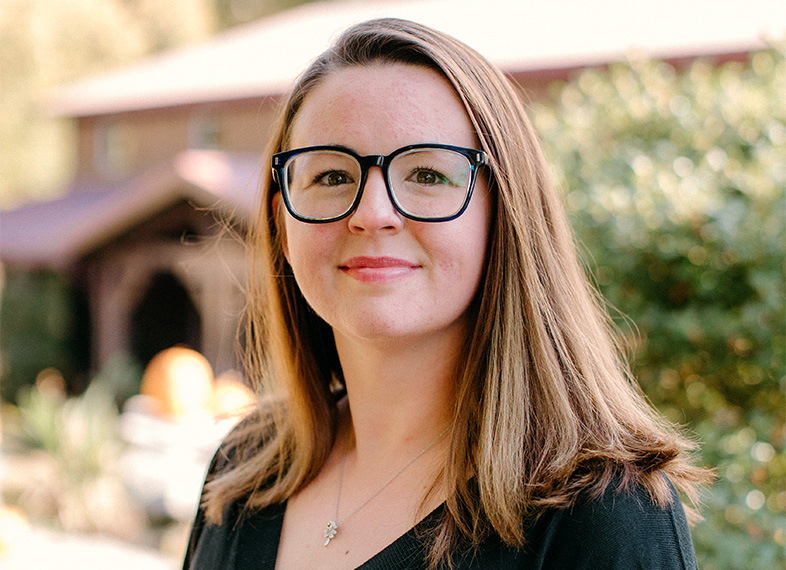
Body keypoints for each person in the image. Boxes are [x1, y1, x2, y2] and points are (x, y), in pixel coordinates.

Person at [183, 18, 710, 570]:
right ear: (282, 222)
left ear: (505, 214)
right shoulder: (243, 471)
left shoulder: (601, 512)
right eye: (332, 176)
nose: (373, 214)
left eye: (428, 175)